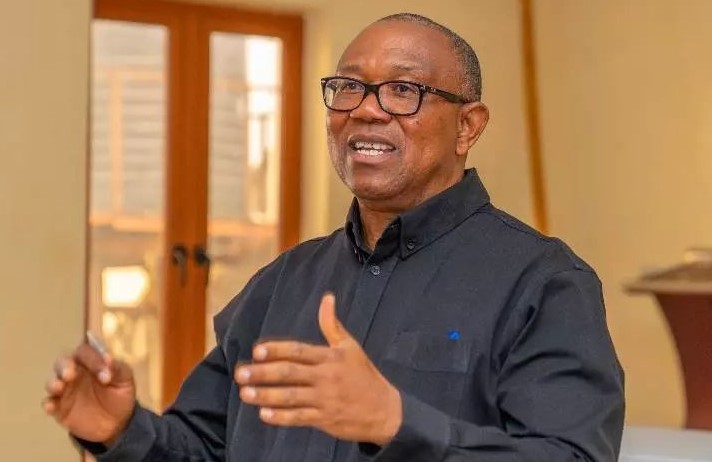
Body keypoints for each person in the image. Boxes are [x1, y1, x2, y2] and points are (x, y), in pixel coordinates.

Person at [44, 12, 624, 461]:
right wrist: (122, 431)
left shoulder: (544, 285)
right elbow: (205, 448)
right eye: (348, 87)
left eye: (403, 90)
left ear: (467, 126)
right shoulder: (282, 284)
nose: (366, 111)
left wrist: (397, 424)